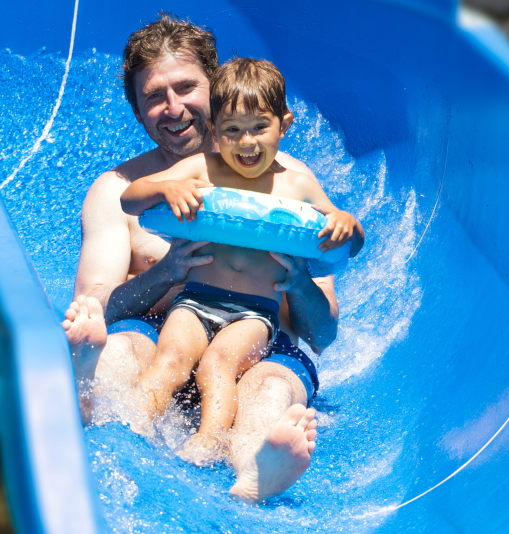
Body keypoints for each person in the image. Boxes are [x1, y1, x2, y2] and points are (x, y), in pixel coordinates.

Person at [61, 14, 339, 502]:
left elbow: (324, 334)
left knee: (270, 390)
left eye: (187, 88)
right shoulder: (117, 193)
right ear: (138, 110)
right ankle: (91, 398)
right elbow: (96, 308)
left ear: (217, 89)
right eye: (154, 97)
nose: (173, 109)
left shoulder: (286, 186)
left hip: (257, 347)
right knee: (118, 352)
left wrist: (297, 283)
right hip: (162, 335)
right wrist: (166, 273)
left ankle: (258, 470)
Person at [118, 57, 365, 466]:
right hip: (196, 300)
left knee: (217, 365)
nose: (246, 143)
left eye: (258, 128)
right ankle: (135, 421)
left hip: (254, 314)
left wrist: (344, 220)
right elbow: (130, 198)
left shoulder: (297, 184)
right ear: (213, 130)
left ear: (283, 124)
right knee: (170, 356)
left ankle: (211, 440)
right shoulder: (201, 168)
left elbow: (350, 243)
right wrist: (167, 188)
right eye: (232, 131)